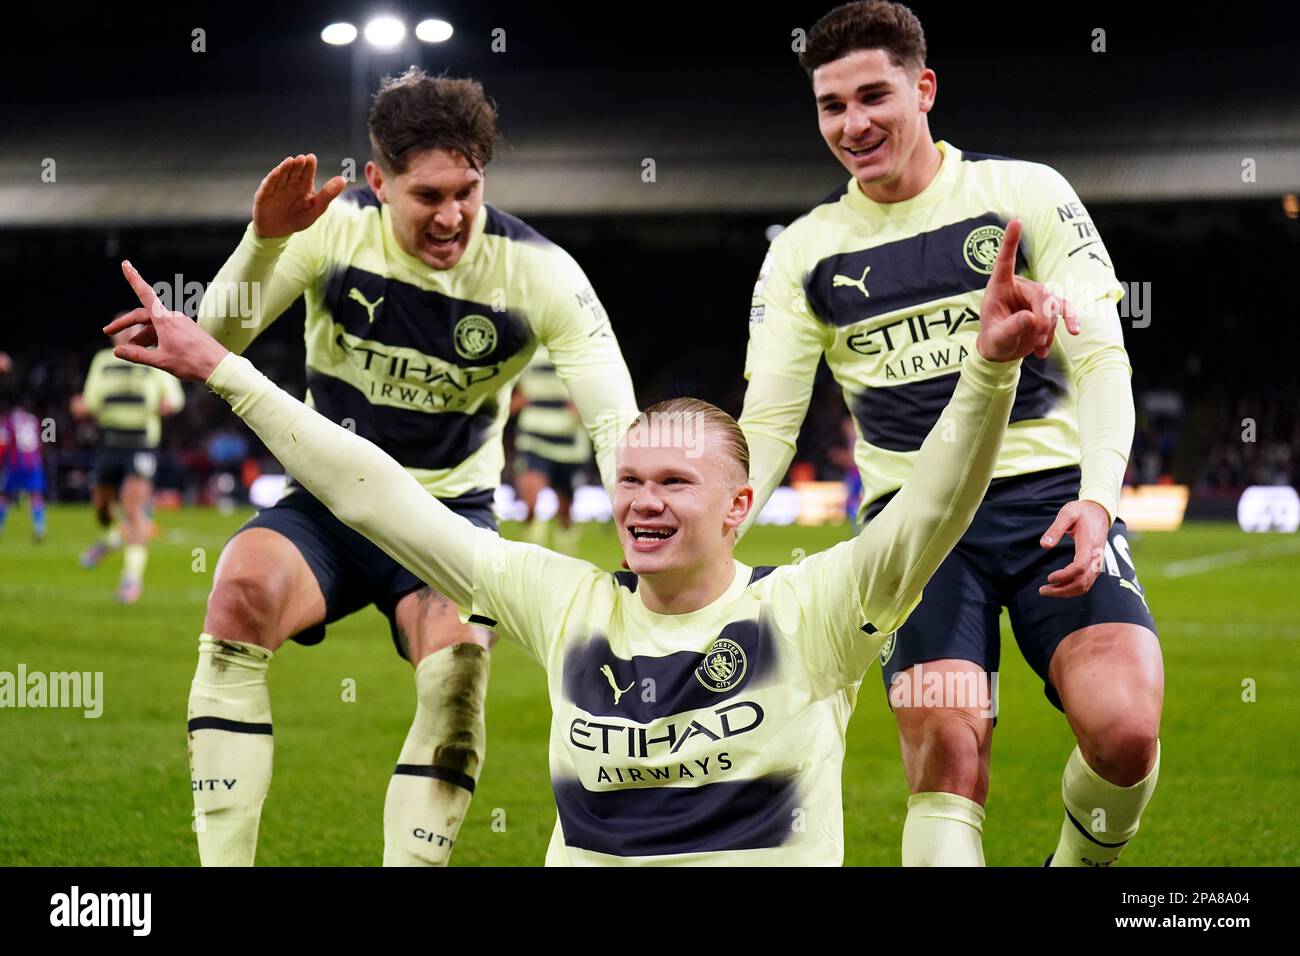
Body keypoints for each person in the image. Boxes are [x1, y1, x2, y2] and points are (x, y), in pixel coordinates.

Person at [110, 215, 1073, 864]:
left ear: (739, 507)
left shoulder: (816, 609)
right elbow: (376, 493)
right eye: (633, 482)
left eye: (675, 485)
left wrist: (986, 369)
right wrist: (225, 369)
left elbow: (935, 506)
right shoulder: (565, 602)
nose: (643, 505)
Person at [738, 0, 1162, 866]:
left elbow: (1102, 362)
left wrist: (1097, 499)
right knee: (948, 754)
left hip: (1053, 508)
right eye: (831, 106)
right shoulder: (805, 252)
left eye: (873, 96)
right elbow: (769, 425)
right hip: (916, 529)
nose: (853, 125)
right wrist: (715, 535)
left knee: (1123, 734)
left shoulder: (1024, 193)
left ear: (923, 88)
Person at [187, 69, 636, 866]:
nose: (452, 215)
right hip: (327, 507)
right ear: (377, 181)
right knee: (240, 590)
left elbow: (612, 418)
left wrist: (644, 523)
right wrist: (265, 239)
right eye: (427, 195)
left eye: (467, 190)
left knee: (459, 681)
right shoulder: (329, 232)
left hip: (449, 518)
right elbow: (215, 341)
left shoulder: (539, 272)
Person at [72, 327, 185, 602]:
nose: (125, 336)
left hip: (141, 445)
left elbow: (176, 397)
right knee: (101, 507)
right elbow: (91, 399)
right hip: (110, 443)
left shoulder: (153, 359)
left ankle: (131, 579)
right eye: (120, 331)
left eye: (131, 331)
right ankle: (112, 538)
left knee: (134, 509)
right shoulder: (103, 361)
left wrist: (169, 404)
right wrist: (83, 406)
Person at [510, 345, 591, 553]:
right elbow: (519, 393)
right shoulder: (527, 354)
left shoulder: (578, 352)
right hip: (533, 438)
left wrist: (586, 408)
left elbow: (594, 395)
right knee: (530, 497)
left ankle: (566, 543)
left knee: (565, 510)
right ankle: (530, 552)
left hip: (568, 445)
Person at [0, 402, 48, 542]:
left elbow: (3, 443)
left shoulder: (8, 421)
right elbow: (41, 441)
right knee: (35, 496)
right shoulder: (33, 419)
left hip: (16, 462)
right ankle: (40, 528)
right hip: (34, 463)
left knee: (5, 496)